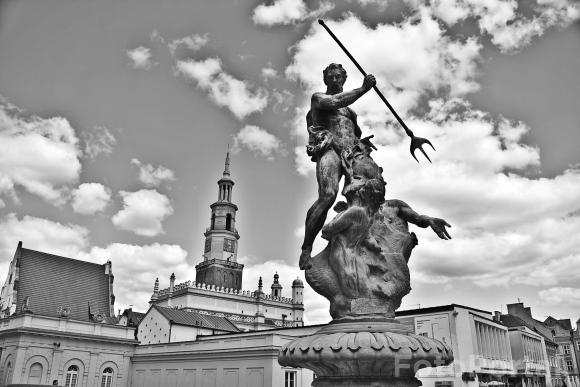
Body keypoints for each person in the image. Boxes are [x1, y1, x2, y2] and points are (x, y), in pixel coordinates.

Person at [300, 63, 376, 269]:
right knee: (328, 195)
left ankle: (362, 241)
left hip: (351, 154)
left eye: (338, 77)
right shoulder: (318, 99)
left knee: (368, 197)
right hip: (330, 149)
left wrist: (363, 144)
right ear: (325, 80)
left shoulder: (351, 113)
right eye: (330, 77)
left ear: (344, 79)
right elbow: (335, 101)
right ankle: (306, 248)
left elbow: (354, 135)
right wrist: (362, 89)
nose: (334, 80)